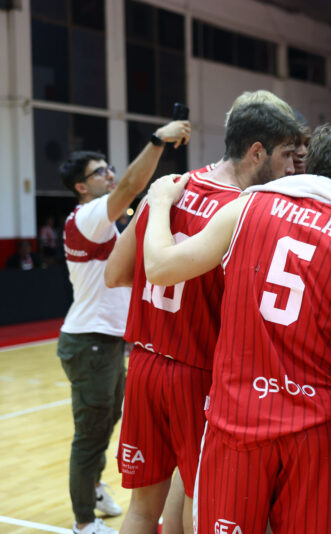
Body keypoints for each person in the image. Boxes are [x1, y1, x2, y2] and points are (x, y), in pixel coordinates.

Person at [141, 124, 331, 534]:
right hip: (316, 430)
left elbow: (160, 268)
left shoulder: (245, 208)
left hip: (237, 418)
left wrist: (160, 203)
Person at [104, 102, 299, 534]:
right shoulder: (245, 211)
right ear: (256, 152)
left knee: (141, 510)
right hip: (198, 375)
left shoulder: (169, 189)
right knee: (204, 500)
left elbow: (115, 274)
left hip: (144, 366)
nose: (292, 168)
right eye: (286, 155)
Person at [57, 118, 191, 534]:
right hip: (89, 341)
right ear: (82, 186)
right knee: (90, 434)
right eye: (100, 172)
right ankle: (83, 521)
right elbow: (130, 189)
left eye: (108, 167)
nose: (110, 174)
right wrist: (157, 142)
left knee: (104, 422)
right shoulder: (87, 217)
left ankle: (93, 487)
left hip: (106, 342)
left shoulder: (101, 222)